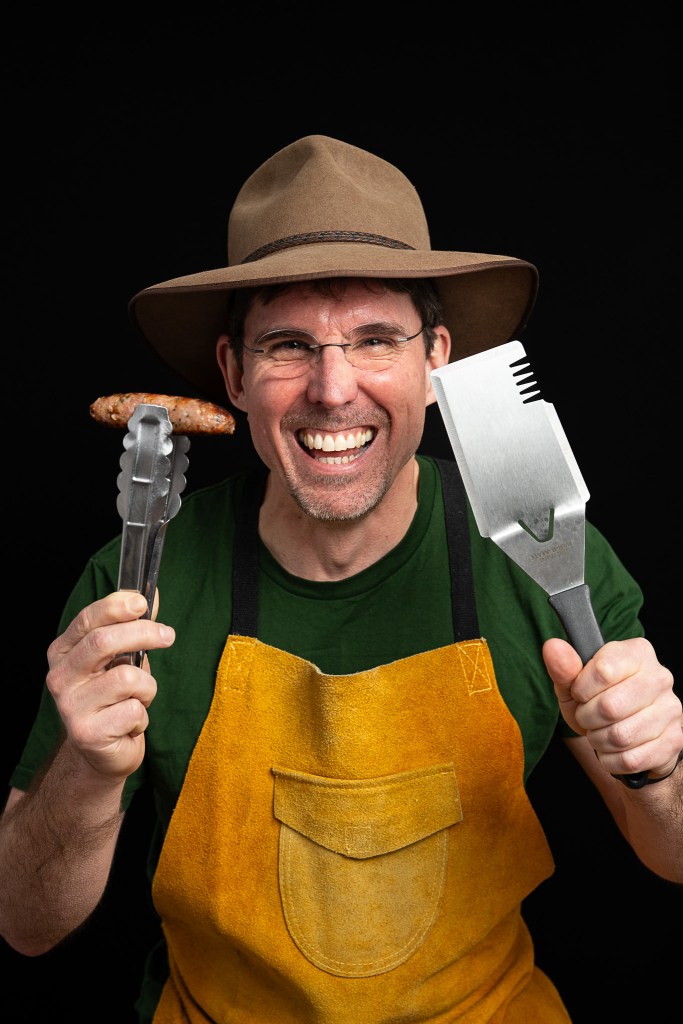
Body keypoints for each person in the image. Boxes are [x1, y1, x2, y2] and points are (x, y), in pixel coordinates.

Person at [1, 134, 681, 1024]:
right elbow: (25, 925)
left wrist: (661, 771)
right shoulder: (136, 585)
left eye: (375, 340)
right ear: (233, 374)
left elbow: (672, 856)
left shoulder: (546, 557)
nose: (332, 389)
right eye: (288, 345)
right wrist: (86, 776)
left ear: (435, 362)